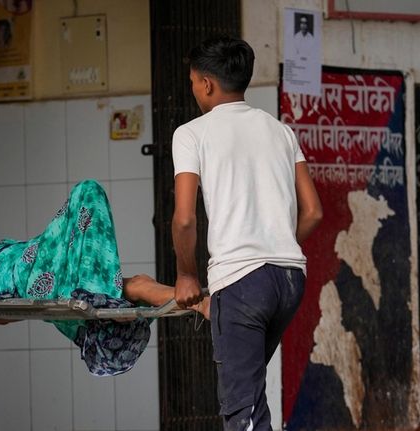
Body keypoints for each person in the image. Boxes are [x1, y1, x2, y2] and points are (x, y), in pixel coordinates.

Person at [171, 35, 322, 430]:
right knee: (251, 399)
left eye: (191, 82)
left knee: (244, 415)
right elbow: (313, 211)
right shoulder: (282, 132)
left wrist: (187, 274)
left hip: (241, 285)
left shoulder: (191, 133)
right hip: (290, 281)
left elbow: (184, 218)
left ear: (206, 83)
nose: (193, 91)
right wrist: (278, 244)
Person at [0, 179, 209, 376]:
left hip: (53, 277)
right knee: (88, 193)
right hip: (49, 274)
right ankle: (193, 303)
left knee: (131, 283)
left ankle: (196, 303)